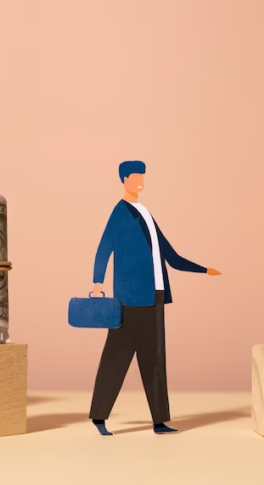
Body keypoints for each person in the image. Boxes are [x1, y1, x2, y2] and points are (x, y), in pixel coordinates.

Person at [89, 160, 221, 435]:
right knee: (116, 356)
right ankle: (99, 417)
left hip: (155, 297)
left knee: (155, 359)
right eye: (135, 177)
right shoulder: (120, 213)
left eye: (142, 177)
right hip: (128, 298)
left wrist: (204, 270)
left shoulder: (145, 213)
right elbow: (105, 247)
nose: (140, 181)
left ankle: (159, 421)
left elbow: (170, 255)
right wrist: (98, 283)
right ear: (124, 179)